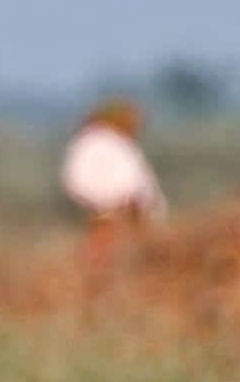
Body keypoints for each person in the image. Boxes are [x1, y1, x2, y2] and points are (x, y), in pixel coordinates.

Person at [61, 98, 166, 270]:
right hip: (111, 215)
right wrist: (112, 203)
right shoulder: (95, 142)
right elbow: (78, 181)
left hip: (132, 217)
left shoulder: (119, 144)